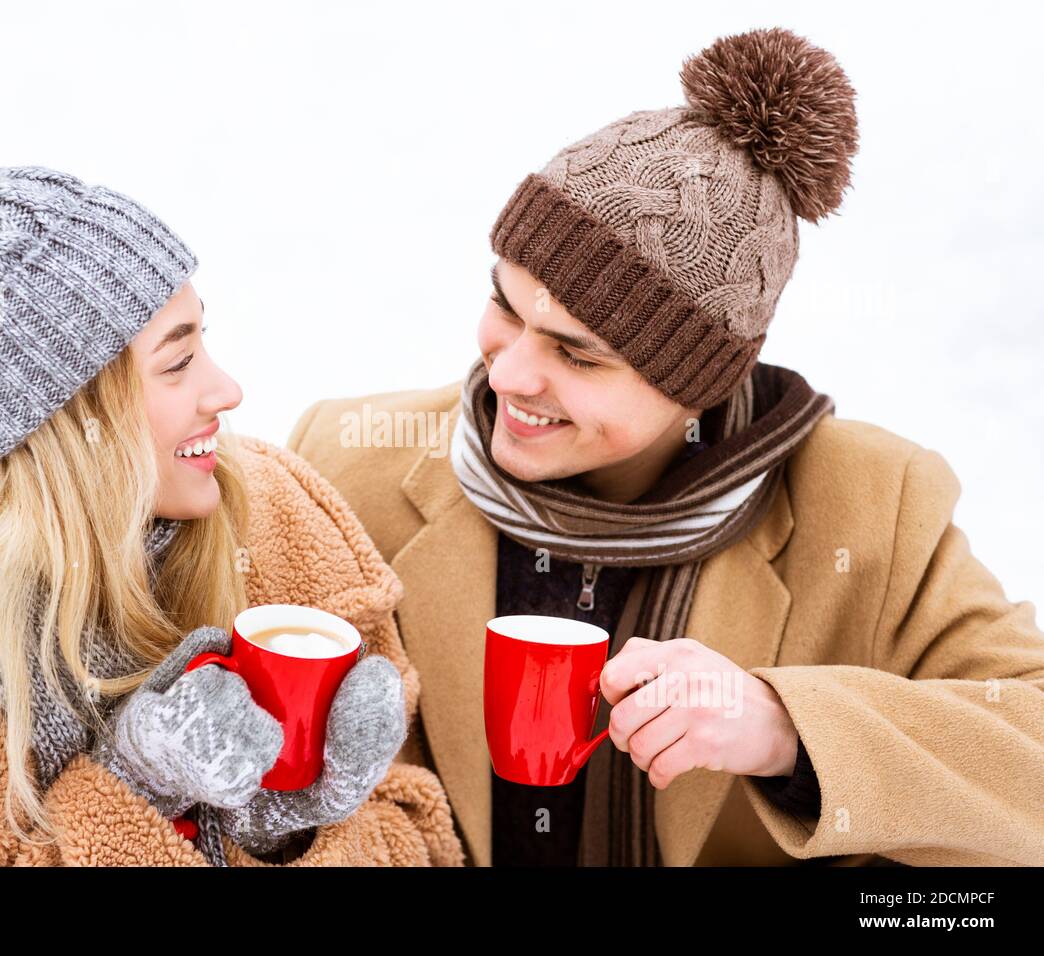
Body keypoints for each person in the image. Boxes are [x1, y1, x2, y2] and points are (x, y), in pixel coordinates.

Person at [285, 27, 1044, 866]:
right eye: (505, 307)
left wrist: (788, 731)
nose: (509, 374)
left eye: (577, 355)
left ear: (698, 383)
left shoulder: (871, 506)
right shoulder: (347, 462)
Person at [0, 129, 464, 867]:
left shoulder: (278, 513)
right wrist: (132, 797)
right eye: (178, 362)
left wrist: (281, 831)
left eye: (203, 342)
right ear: (65, 422)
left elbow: (423, 836)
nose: (226, 390)